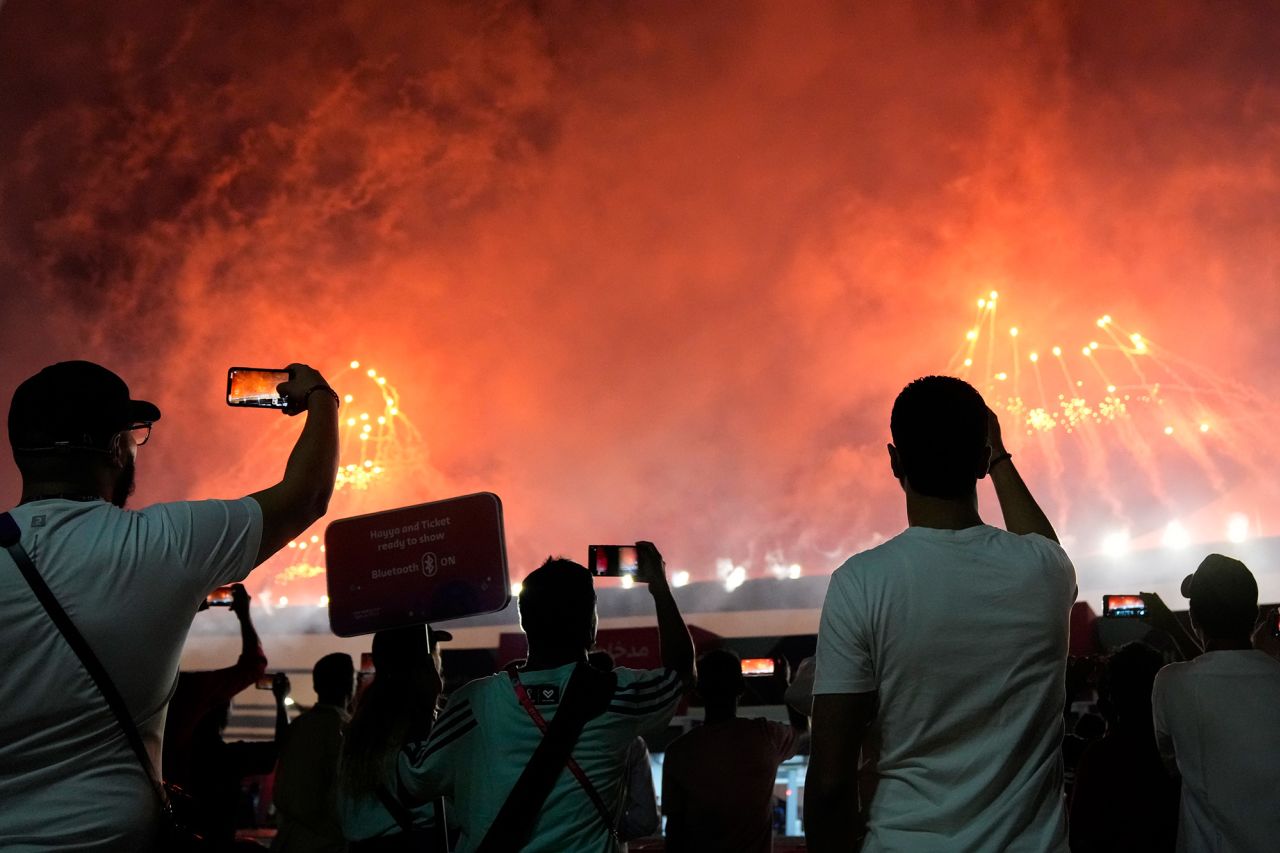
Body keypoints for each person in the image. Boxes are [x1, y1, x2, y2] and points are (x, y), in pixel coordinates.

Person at [0, 360, 339, 851]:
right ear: (117, 448)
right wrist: (321, 400)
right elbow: (306, 496)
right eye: (135, 437)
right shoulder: (163, 543)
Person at [805, 376, 1076, 852]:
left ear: (895, 462)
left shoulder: (860, 583)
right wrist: (998, 456)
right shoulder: (1044, 573)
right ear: (980, 459)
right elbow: (1044, 543)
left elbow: (830, 779)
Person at [398, 543, 694, 852]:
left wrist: (416, 689)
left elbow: (413, 780)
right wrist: (658, 586)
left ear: (525, 622)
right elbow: (683, 674)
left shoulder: (473, 703)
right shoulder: (619, 696)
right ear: (590, 623)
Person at [1151, 554, 1280, 853]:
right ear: (1256, 616)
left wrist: (1172, 627)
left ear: (1193, 616)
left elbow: (1169, 763)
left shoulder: (1170, 683)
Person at [662, 648, 801, 853]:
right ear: (741, 688)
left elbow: (674, 831)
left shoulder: (679, 752)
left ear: (699, 690)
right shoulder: (765, 736)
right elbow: (803, 728)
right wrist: (784, 685)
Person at [338, 628, 447, 852]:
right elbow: (439, 806)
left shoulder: (362, 724)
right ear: (421, 669)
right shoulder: (415, 730)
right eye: (433, 657)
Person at [1068, 643, 1178, 852]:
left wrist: (1070, 688)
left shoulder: (1101, 759)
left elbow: (1079, 837)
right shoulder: (1177, 754)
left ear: (1105, 707)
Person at [165, 583, 269, 790]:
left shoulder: (134, 682)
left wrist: (182, 611)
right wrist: (244, 616)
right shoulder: (193, 692)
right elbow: (253, 667)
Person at [187, 673, 292, 850]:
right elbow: (279, 747)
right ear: (224, 716)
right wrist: (280, 701)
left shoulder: (183, 752)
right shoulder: (228, 757)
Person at [272, 653, 357, 853]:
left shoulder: (298, 726)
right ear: (350, 686)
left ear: (316, 687)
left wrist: (279, 701)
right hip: (328, 844)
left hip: (288, 841)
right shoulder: (348, 731)